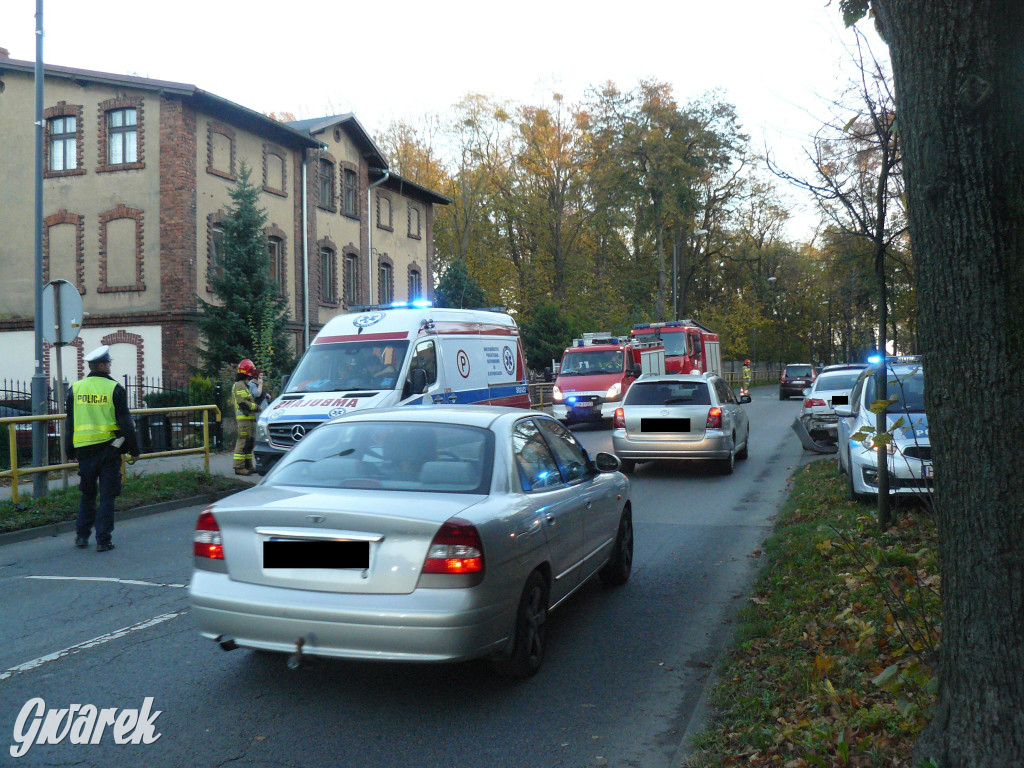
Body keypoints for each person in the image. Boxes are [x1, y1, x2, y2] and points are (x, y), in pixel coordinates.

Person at [64, 345, 140, 552]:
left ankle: (81, 536)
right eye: (108, 363)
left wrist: (69, 451)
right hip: (109, 449)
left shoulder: (75, 388)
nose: (109, 366)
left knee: (87, 493)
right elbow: (125, 422)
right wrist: (134, 450)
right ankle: (103, 540)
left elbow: (69, 422)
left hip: (84, 450)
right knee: (107, 495)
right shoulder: (114, 388)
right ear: (101, 365)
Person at [233, 359, 259, 475]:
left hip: (249, 420)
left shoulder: (245, 385)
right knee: (242, 442)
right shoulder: (239, 385)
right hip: (243, 420)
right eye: (252, 370)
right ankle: (238, 467)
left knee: (249, 442)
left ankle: (248, 465)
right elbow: (243, 403)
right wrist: (257, 407)